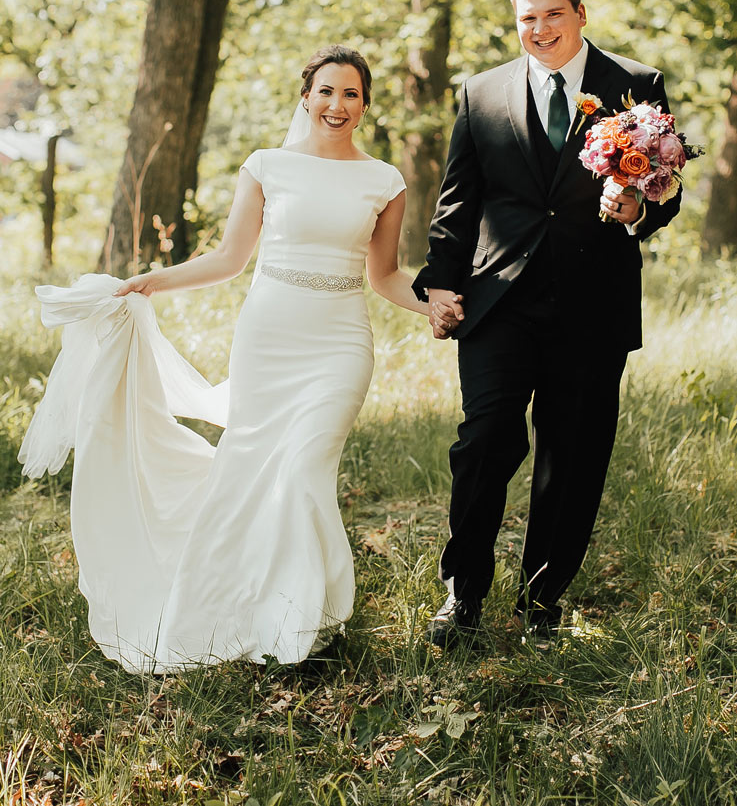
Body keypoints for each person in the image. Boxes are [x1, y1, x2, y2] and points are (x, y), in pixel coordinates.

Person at [20, 44, 450, 673]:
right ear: (306, 97)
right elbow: (228, 259)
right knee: (249, 473)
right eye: (326, 91)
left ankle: (300, 622)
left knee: (304, 471)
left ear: (365, 104)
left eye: (351, 94)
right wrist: (154, 280)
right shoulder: (267, 166)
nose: (337, 104)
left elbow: (384, 275)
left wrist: (433, 305)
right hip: (267, 343)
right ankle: (247, 610)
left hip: (339, 347)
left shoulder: (383, 180)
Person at [413, 0, 681, 648]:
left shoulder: (635, 85)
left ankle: (541, 603)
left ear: (579, 14)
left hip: (593, 302)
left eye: (551, 15)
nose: (539, 29)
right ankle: (461, 593)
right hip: (497, 298)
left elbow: (664, 186)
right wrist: (440, 283)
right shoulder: (480, 92)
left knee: (573, 453)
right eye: (526, 18)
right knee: (482, 441)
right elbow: (456, 201)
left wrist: (634, 209)